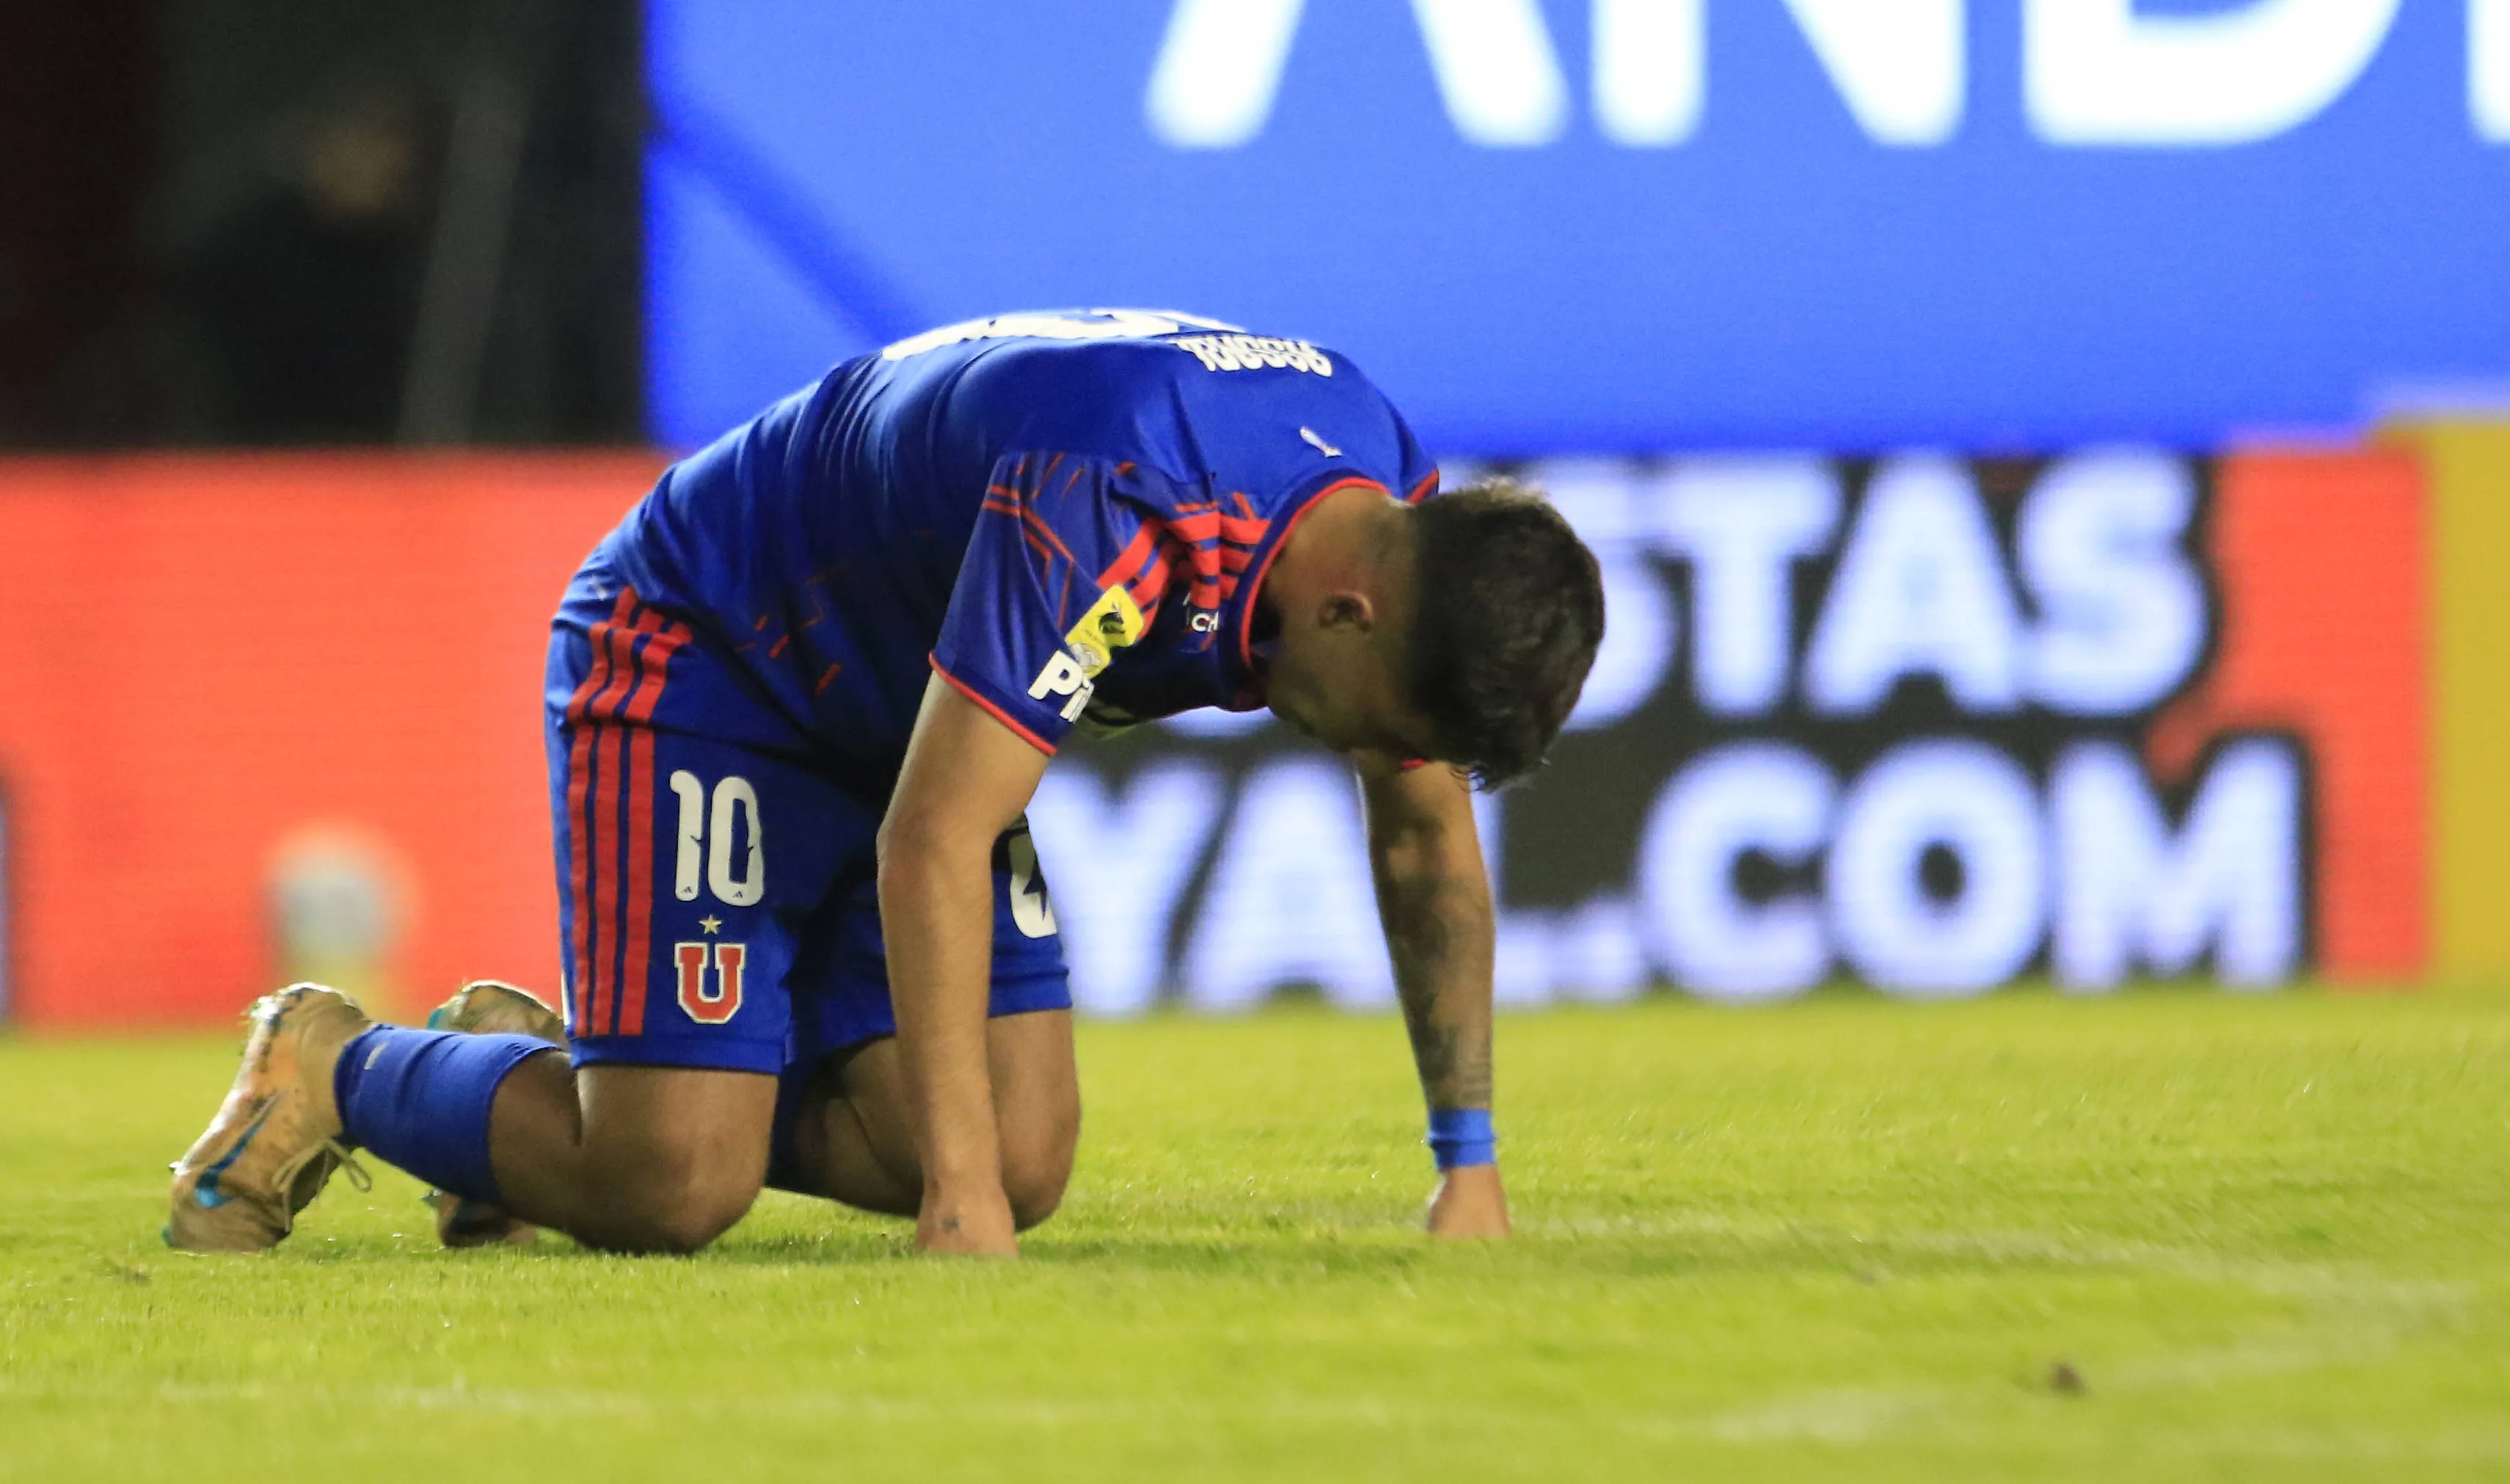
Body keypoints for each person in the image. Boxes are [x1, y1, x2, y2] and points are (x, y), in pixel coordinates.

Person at [165, 308, 1603, 1258]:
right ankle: (338, 1064)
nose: (1372, 754)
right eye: (1381, 725)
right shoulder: (1117, 491)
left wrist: (1465, 1166)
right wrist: (952, 1202)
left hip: (910, 702)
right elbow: (937, 837)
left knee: (1024, 1155)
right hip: (714, 654)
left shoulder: (1391, 509)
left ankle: (569, 1089)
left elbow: (1424, 848)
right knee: (679, 1187)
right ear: (1353, 612)